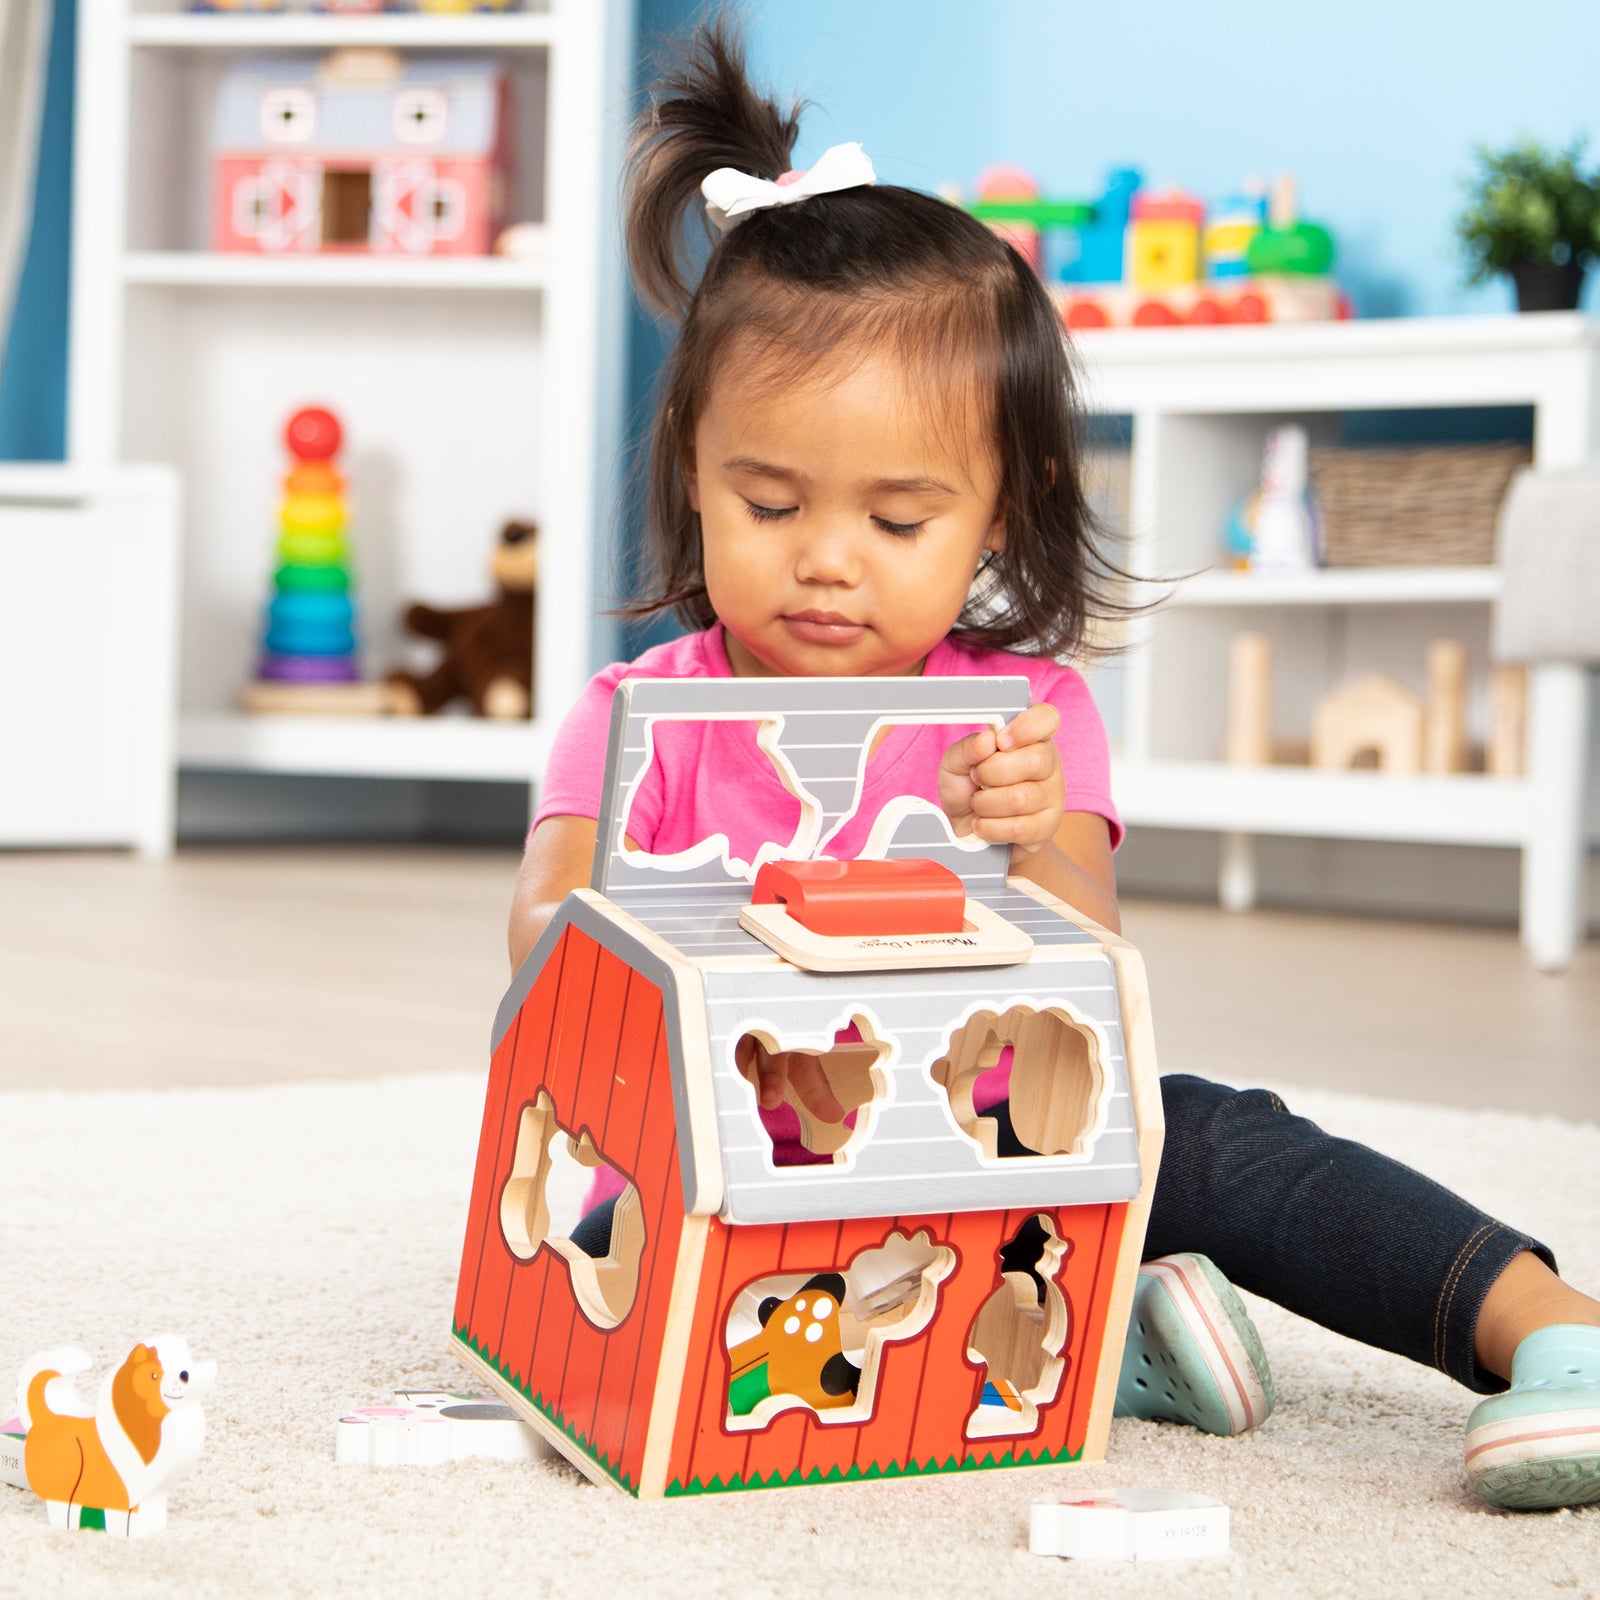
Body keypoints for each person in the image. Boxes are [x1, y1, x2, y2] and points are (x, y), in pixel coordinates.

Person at [507, 17, 1600, 1513]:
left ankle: (1554, 1332)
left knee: (1205, 1132)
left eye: (899, 522)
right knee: (601, 1256)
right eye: (769, 504)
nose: (828, 560)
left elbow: (1088, 953)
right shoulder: (633, 715)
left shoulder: (1025, 713)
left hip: (1000, 1139)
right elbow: (540, 960)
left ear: (998, 516)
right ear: (693, 467)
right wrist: (630, 922)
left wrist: (1036, 845)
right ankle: (1091, 1341)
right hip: (742, 1157)